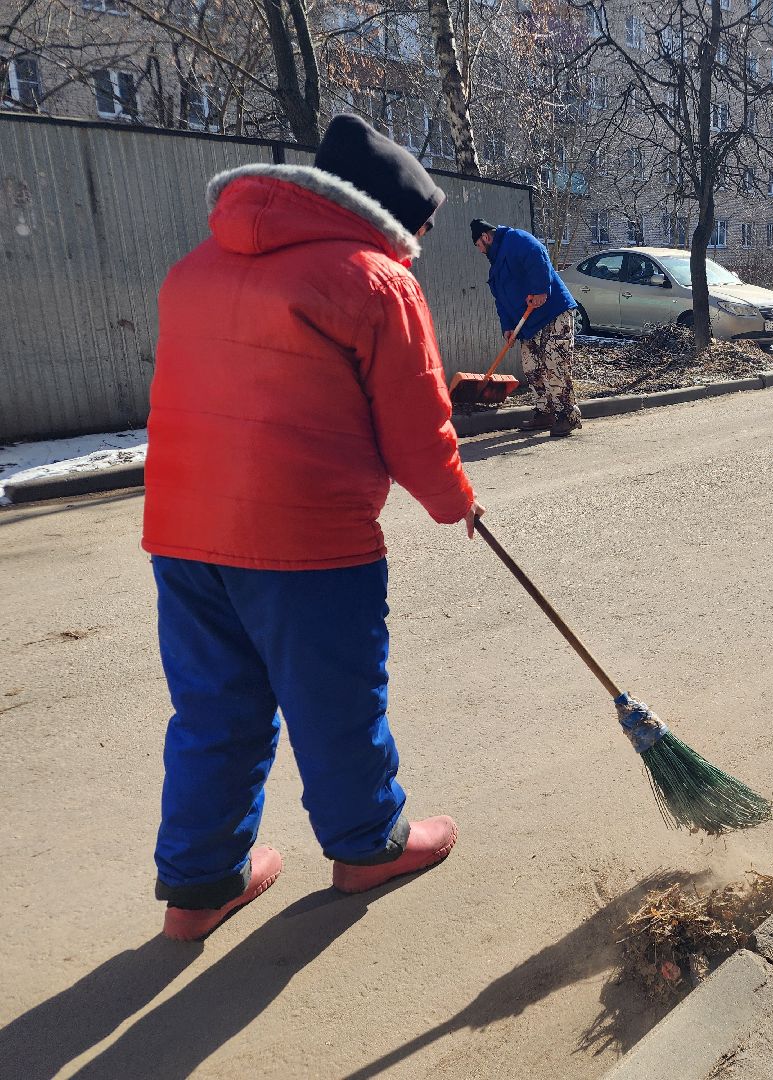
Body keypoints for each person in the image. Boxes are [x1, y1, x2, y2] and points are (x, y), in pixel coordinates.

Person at [142, 114, 482, 942]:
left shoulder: (196, 268)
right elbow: (415, 425)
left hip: (183, 533)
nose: (418, 245)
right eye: (420, 228)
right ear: (389, 213)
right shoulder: (376, 280)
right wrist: (455, 501)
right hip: (307, 541)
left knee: (214, 709)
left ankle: (199, 886)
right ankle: (368, 846)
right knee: (337, 701)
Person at [470, 219, 582, 437]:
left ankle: (567, 415)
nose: (479, 251)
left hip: (553, 313)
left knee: (555, 364)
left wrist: (540, 290)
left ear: (486, 237)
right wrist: (508, 327)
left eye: (478, 245)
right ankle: (545, 412)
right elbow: (501, 301)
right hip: (528, 324)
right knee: (532, 368)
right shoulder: (495, 268)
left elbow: (537, 255)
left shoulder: (516, 240)